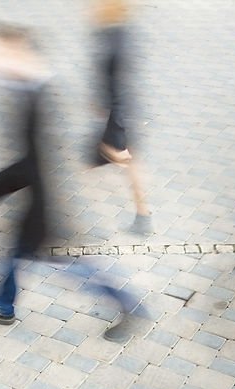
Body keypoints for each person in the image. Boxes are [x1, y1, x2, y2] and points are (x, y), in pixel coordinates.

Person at [0, 24, 137, 341]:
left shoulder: (41, 93)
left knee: (67, 263)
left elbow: (41, 161)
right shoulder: (19, 88)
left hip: (46, 204)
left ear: (14, 51)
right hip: (33, 198)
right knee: (11, 253)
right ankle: (2, 306)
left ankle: (127, 303)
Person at [87, 0, 151, 233]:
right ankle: (143, 216)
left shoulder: (114, 39)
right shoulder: (118, 33)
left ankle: (79, 223)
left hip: (116, 119)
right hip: (122, 114)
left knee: (83, 164)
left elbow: (117, 87)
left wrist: (117, 135)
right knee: (129, 163)